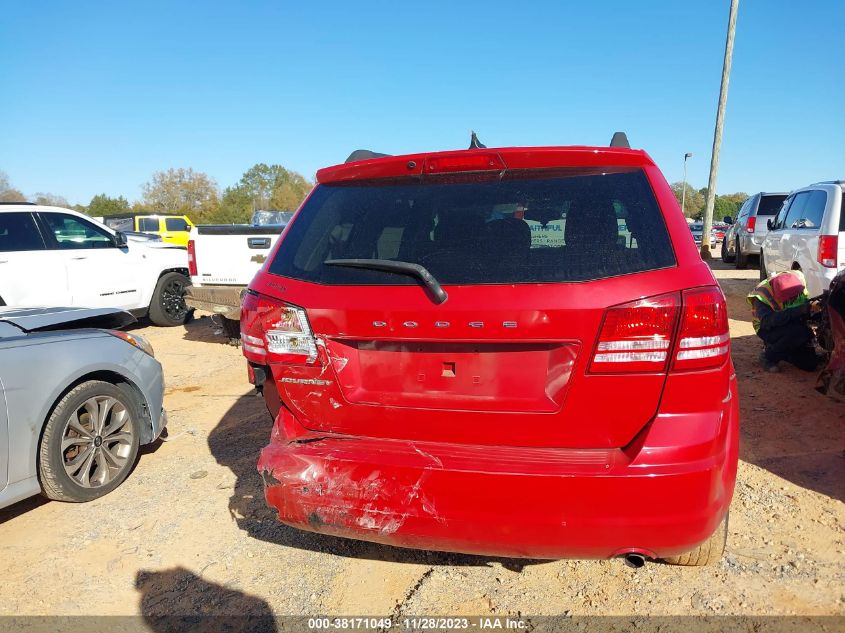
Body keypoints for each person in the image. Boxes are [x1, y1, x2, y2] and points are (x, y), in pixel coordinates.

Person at [747, 270, 822, 373]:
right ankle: (768, 356)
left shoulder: (798, 281)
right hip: (767, 328)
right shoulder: (762, 295)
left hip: (792, 321)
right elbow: (767, 322)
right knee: (798, 332)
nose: (795, 298)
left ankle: (784, 352)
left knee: (810, 364)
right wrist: (799, 310)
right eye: (791, 299)